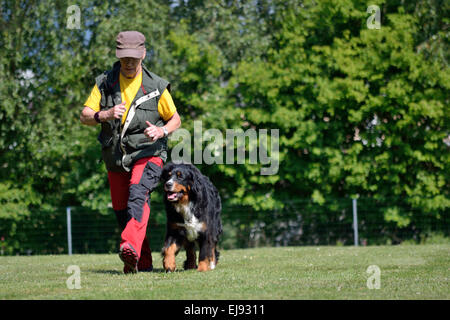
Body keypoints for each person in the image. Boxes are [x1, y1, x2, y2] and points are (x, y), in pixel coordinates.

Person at [80, 31, 181, 273]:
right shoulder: (104, 82)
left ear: (143, 55)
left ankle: (129, 244)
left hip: (149, 151)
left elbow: (175, 119)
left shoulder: (156, 85)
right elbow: (85, 115)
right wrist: (103, 114)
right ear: (118, 55)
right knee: (121, 210)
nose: (129, 63)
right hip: (115, 156)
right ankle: (140, 261)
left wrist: (162, 132)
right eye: (124, 58)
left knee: (138, 193)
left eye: (134, 58)